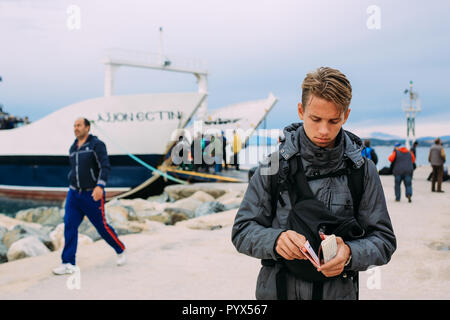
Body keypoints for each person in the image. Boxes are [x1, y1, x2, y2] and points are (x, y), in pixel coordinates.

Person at [232, 67, 396, 300]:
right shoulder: (274, 165)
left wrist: (349, 253)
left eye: (333, 121)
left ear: (346, 116)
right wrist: (276, 240)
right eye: (315, 119)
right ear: (301, 110)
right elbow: (242, 231)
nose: (323, 130)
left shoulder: (363, 171)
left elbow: (384, 241)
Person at [53, 118, 126, 275]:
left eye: (79, 125)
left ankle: (120, 249)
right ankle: (68, 263)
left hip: (92, 194)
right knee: (69, 226)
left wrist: (100, 185)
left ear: (87, 127)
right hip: (74, 193)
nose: (76, 128)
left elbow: (105, 166)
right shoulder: (73, 147)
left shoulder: (96, 145)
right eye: (74, 125)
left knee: (102, 227)